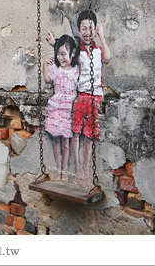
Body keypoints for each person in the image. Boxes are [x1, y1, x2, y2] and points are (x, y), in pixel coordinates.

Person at [46, 10, 111, 188]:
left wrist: (102, 37)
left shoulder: (98, 51)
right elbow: (65, 51)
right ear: (79, 30)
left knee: (89, 135)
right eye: (83, 28)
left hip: (96, 97)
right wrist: (54, 43)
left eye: (90, 28)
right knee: (75, 133)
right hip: (80, 97)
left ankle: (86, 168)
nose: (87, 32)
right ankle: (78, 172)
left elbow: (108, 57)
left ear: (95, 30)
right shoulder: (76, 51)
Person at [42, 35, 80, 182]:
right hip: (56, 107)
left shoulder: (76, 70)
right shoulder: (55, 69)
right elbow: (47, 80)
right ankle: (58, 168)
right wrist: (45, 65)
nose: (61, 58)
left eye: (64, 54)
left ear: (72, 53)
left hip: (68, 109)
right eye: (58, 54)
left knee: (66, 142)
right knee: (56, 140)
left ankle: (65, 169)